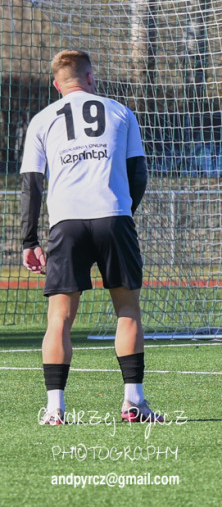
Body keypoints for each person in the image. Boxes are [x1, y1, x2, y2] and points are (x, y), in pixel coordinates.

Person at [21, 49, 163, 425]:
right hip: (113, 217)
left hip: (65, 224)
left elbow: (32, 185)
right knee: (128, 310)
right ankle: (133, 403)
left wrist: (29, 241)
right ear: (91, 78)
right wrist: (122, 216)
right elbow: (139, 175)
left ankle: (55, 410)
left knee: (59, 319)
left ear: (56, 85)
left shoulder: (41, 120)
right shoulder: (120, 111)